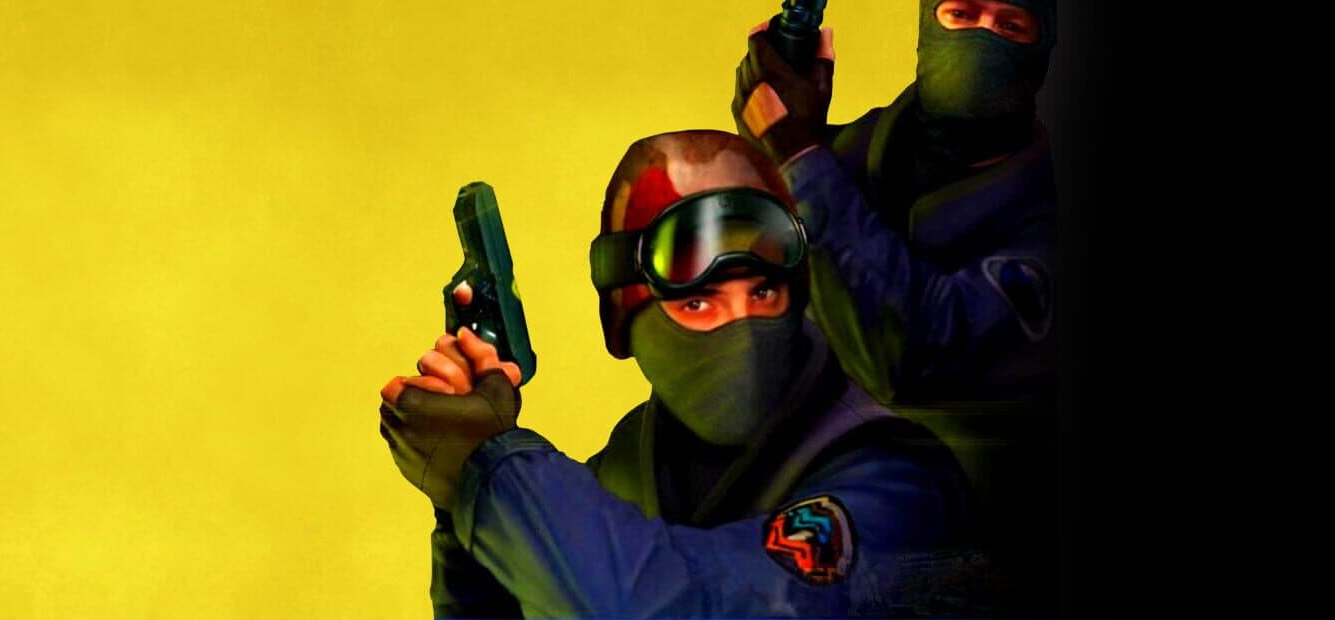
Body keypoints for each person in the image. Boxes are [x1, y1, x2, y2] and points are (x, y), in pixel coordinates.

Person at [378, 131, 983, 618]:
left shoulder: (897, 482)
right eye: (698, 303)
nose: (741, 327)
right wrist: (461, 510)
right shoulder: (634, 463)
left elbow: (671, 605)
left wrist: (488, 467)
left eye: (763, 292)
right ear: (625, 318)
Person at [731, 2, 1060, 610]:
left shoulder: (1045, 227)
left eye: (1010, 25)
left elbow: (913, 351)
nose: (982, 38)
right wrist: (779, 133)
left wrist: (796, 155)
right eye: (962, 13)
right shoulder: (853, 151)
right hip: (789, 518)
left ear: (1039, 54)